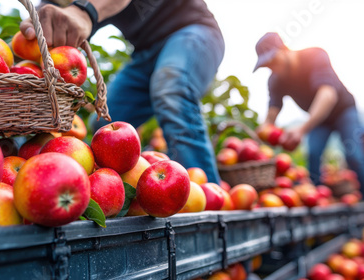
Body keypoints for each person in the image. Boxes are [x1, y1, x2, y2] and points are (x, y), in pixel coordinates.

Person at [20, 0, 225, 184]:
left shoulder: (84, 5)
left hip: (193, 29)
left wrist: (85, 11)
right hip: (147, 51)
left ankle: (209, 202)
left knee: (172, 88)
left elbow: (85, 12)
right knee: (105, 123)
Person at [253, 32, 364, 199]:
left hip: (343, 111)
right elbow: (272, 113)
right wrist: (261, 136)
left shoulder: (315, 56)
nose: (272, 67)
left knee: (354, 155)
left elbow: (328, 95)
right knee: (313, 154)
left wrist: (302, 129)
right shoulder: (275, 80)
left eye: (273, 60)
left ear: (285, 49)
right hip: (320, 120)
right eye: (268, 65)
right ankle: (318, 200)